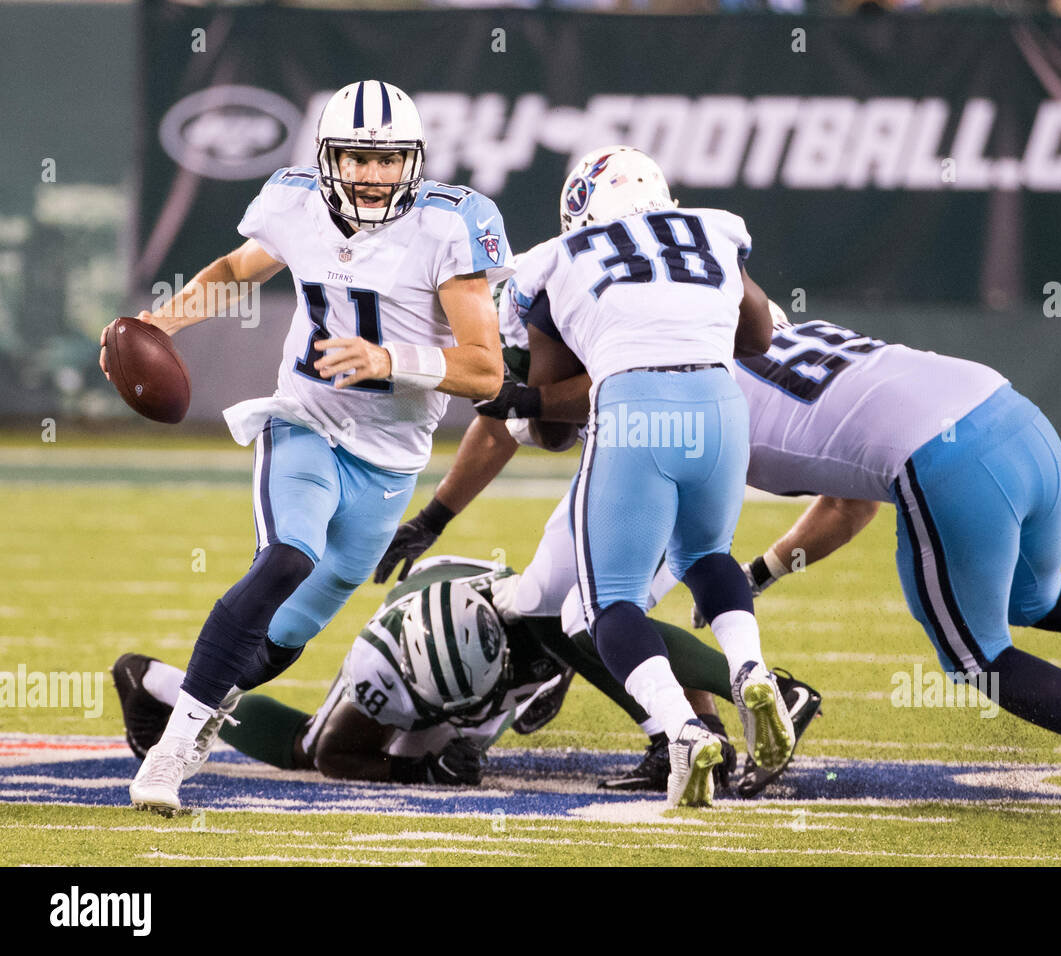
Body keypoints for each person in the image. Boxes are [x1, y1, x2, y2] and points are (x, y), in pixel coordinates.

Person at [100, 80, 511, 816]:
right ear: (328, 157)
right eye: (356, 156)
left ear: (414, 161)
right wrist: (156, 326)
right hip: (306, 420)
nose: (372, 174)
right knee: (289, 554)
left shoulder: (452, 225)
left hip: (390, 458)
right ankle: (172, 755)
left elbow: (486, 369)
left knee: (278, 645)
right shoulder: (292, 202)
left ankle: (153, 683)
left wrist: (389, 359)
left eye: (389, 159)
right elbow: (235, 270)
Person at [712, 312, 1061, 807]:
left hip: (949, 463)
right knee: (1035, 600)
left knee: (977, 658)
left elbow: (835, 509)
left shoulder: (703, 400)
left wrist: (729, 585)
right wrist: (761, 573)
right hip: (1018, 418)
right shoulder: (787, 336)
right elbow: (847, 502)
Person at [375, 259, 823, 797]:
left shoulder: (579, 282)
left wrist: (532, 396)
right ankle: (687, 730)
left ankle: (737, 707)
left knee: (596, 607)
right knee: (542, 598)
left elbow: (561, 413)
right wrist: (433, 518)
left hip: (679, 432)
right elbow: (505, 428)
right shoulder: (666, 259)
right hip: (690, 430)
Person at [508, 145, 792, 807]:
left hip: (634, 410)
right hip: (720, 406)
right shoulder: (711, 230)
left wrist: (524, 402)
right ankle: (750, 667)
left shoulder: (554, 260)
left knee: (607, 602)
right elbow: (757, 336)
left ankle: (684, 729)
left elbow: (551, 426)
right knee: (705, 555)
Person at [111, 554, 783, 790]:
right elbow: (341, 755)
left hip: (488, 621)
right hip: (419, 650)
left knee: (582, 625)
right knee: (310, 749)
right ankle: (157, 682)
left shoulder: (518, 615)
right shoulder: (388, 668)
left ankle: (690, 724)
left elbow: (611, 629)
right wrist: (413, 768)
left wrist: (703, 716)